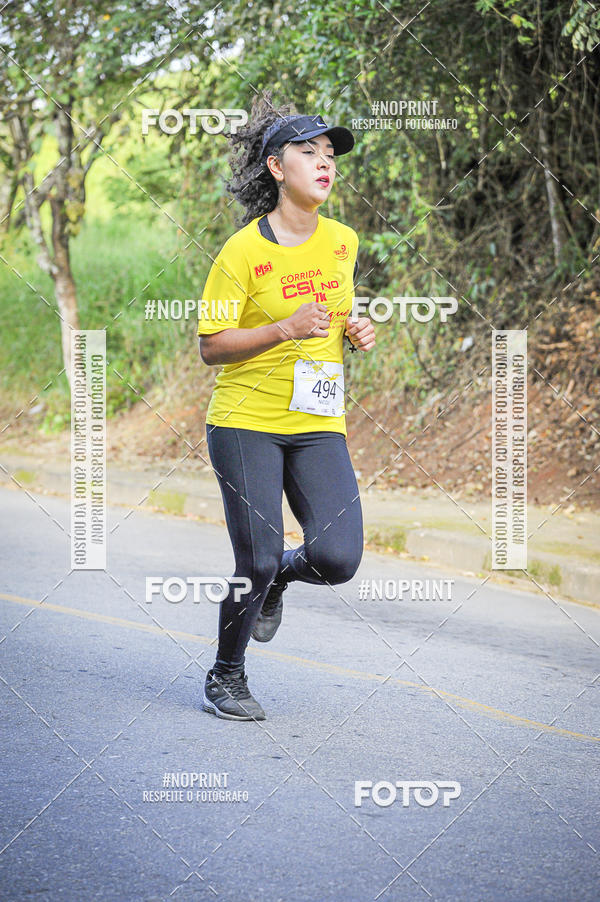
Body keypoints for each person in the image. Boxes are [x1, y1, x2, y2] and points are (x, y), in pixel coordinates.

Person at [197, 94, 376, 721]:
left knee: (337, 558)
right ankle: (226, 675)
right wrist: (283, 327)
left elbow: (336, 313)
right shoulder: (242, 252)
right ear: (277, 167)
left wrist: (356, 329)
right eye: (309, 153)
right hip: (246, 421)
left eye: (330, 155)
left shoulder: (343, 241)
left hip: (318, 423)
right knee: (260, 554)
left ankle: (279, 584)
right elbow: (211, 347)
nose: (324, 164)